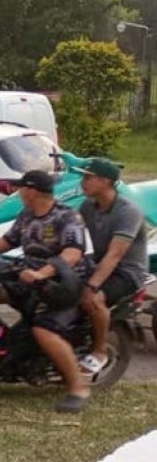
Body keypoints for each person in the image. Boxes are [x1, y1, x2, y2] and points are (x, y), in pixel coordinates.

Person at [0, 169, 90, 413]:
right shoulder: (27, 214)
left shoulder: (67, 217)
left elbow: (73, 254)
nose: (18, 192)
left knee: (44, 330)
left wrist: (43, 273)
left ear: (32, 191)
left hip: (62, 285)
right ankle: (5, 351)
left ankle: (78, 387)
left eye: (22, 187)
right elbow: (7, 241)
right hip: (29, 278)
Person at [73, 157, 148, 376]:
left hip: (127, 272)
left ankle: (99, 352)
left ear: (106, 181)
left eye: (88, 177)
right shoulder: (88, 206)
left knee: (93, 299)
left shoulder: (128, 211)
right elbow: (72, 233)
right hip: (100, 264)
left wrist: (92, 286)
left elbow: (115, 255)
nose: (82, 182)